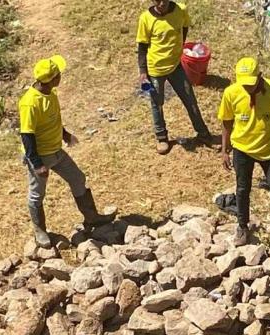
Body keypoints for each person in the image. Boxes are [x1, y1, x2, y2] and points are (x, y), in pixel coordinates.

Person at [19, 55, 116, 249]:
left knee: (78, 178)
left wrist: (65, 135)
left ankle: (92, 217)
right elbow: (26, 134)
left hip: (56, 150)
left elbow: (53, 120)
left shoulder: (50, 93)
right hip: (41, 155)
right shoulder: (30, 102)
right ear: (53, 79)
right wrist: (37, 164)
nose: (61, 76)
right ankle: (40, 231)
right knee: (37, 194)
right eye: (59, 74)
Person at [218, 57, 270, 253]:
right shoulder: (231, 93)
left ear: (260, 77)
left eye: (251, 84)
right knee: (242, 189)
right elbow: (227, 122)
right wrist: (224, 150)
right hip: (242, 149)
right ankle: (242, 226)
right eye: (244, 84)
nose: (248, 88)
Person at [136, 0, 214, 154]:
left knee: (189, 99)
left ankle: (203, 133)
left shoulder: (180, 10)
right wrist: (143, 72)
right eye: (157, 0)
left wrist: (180, 46)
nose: (162, 3)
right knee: (157, 103)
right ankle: (162, 137)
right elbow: (142, 47)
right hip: (156, 69)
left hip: (176, 66)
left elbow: (184, 26)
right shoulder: (146, 19)